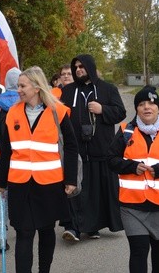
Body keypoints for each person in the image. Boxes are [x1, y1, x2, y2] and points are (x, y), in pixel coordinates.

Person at [0, 66, 79, 273]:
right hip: (19, 183)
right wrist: (0, 181)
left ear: (36, 87)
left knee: (47, 230)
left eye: (23, 86)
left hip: (49, 183)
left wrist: (70, 179)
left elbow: (71, 146)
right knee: (24, 232)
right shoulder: (11, 112)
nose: (19, 90)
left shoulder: (58, 111)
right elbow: (6, 150)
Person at [108, 86, 159, 273]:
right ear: (136, 109)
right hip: (132, 205)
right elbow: (111, 160)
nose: (147, 107)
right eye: (141, 104)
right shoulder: (125, 132)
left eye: (151, 103)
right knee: (138, 250)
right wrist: (131, 166)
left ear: (158, 108)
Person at [60, 54, 126, 241]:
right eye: (76, 67)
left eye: (82, 66)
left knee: (96, 192)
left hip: (101, 150)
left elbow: (121, 112)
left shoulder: (108, 89)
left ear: (90, 66)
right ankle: (73, 228)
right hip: (76, 152)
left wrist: (102, 109)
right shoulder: (68, 91)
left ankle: (93, 226)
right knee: (75, 188)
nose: (79, 70)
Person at [0, 66, 21, 253]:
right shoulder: (26, 101)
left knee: (2, 196)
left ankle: (2, 235)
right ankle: (24, 228)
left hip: (4, 155)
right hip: (23, 156)